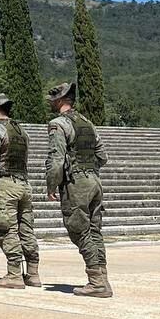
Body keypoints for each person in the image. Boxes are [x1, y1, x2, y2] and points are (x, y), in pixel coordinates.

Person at [45, 81, 111, 297]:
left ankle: (96, 281)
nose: (51, 102)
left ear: (61, 100)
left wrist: (52, 185)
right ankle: (102, 277)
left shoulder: (58, 124)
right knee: (94, 231)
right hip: (94, 180)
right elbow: (102, 156)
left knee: (78, 230)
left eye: (54, 99)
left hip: (77, 184)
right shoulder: (87, 123)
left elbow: (56, 159)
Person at [0, 93, 41, 289]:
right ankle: (33, 273)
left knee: (5, 227)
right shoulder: (21, 131)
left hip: (5, 184)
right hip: (24, 184)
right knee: (26, 229)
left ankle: (14, 274)